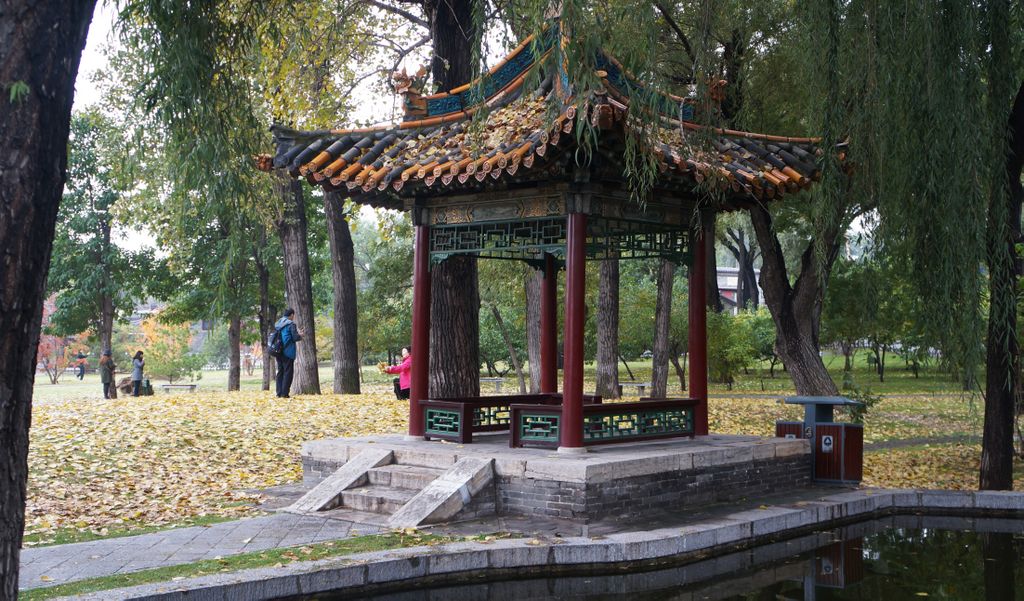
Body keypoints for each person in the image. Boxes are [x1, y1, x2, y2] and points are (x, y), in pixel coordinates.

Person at [274, 308, 302, 398]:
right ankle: (285, 393)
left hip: (278, 351)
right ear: (291, 315)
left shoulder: (278, 323)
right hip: (288, 352)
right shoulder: (291, 324)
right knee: (288, 373)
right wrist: (300, 335)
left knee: (280, 372)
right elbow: (295, 337)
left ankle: (279, 393)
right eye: (293, 315)